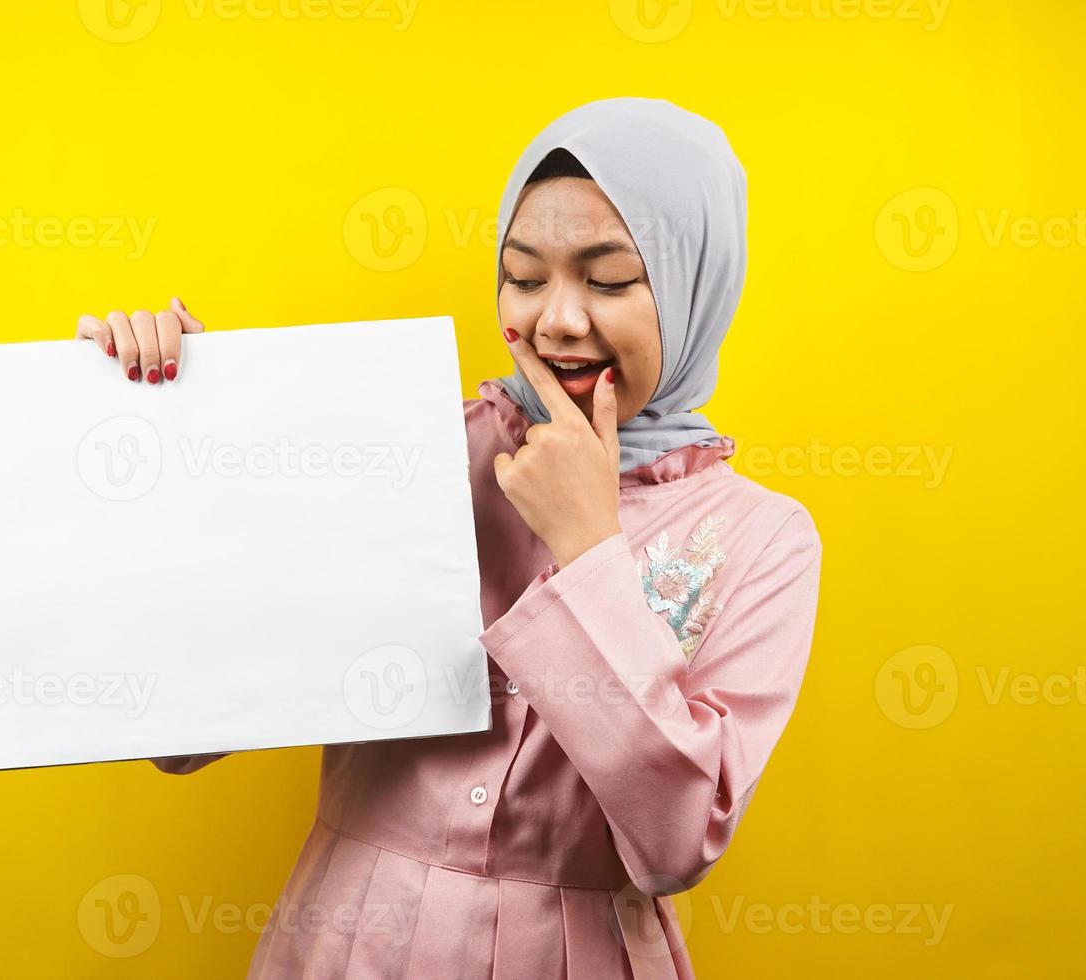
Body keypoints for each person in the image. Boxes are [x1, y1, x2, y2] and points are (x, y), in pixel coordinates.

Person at [74, 97, 823, 979]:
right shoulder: (410, 451)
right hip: (351, 945)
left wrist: (590, 550)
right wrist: (193, 437)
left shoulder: (763, 537)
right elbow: (181, 735)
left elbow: (674, 841)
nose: (558, 320)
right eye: (525, 276)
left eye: (610, 278)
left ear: (699, 279)